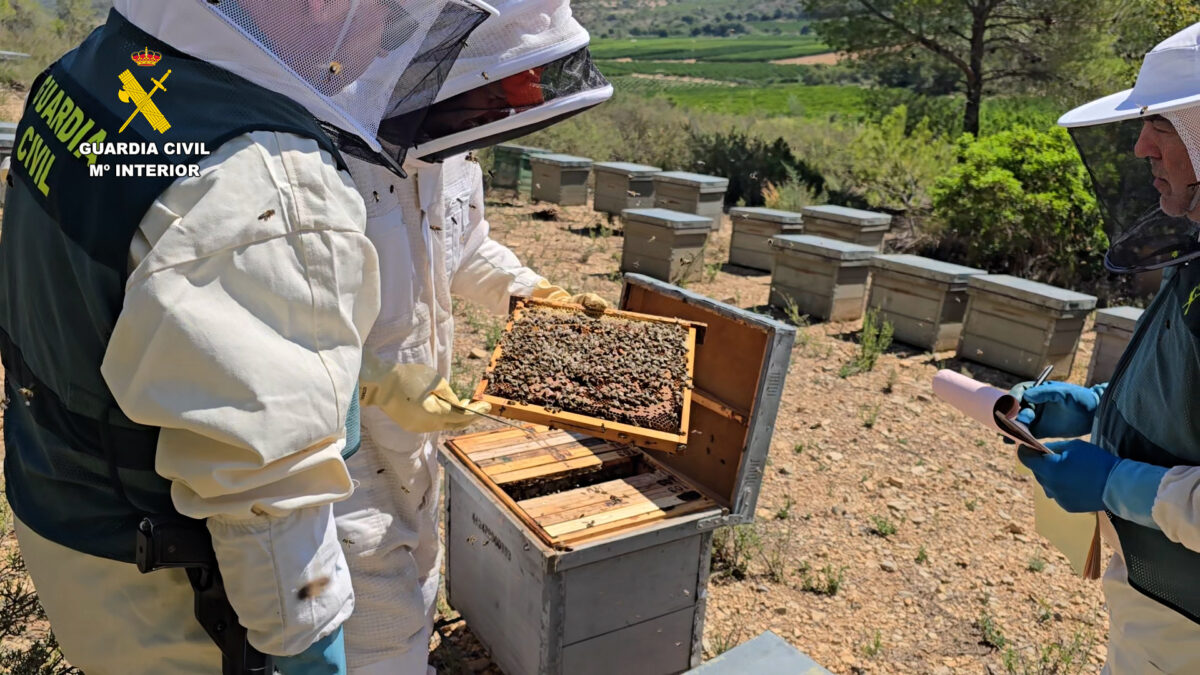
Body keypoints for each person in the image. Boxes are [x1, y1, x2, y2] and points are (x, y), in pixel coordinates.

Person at [0, 1, 486, 673]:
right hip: (174, 604)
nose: (388, 37)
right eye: (388, 8)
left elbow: (149, 317)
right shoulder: (271, 178)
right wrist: (314, 654)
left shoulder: (93, 71)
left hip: (72, 527)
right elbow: (268, 504)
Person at [336, 2, 613, 671]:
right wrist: (372, 383)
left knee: (418, 587)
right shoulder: (323, 148)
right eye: (491, 86)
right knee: (377, 633)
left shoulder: (451, 145)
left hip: (415, 440)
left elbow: (464, 245)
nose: (499, 104)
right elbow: (272, 327)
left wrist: (528, 289)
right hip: (341, 459)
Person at [1014, 21, 1200, 675]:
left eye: (1166, 124)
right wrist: (1099, 407)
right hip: (1159, 601)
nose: (1141, 145)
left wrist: (1119, 483)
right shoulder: (1196, 258)